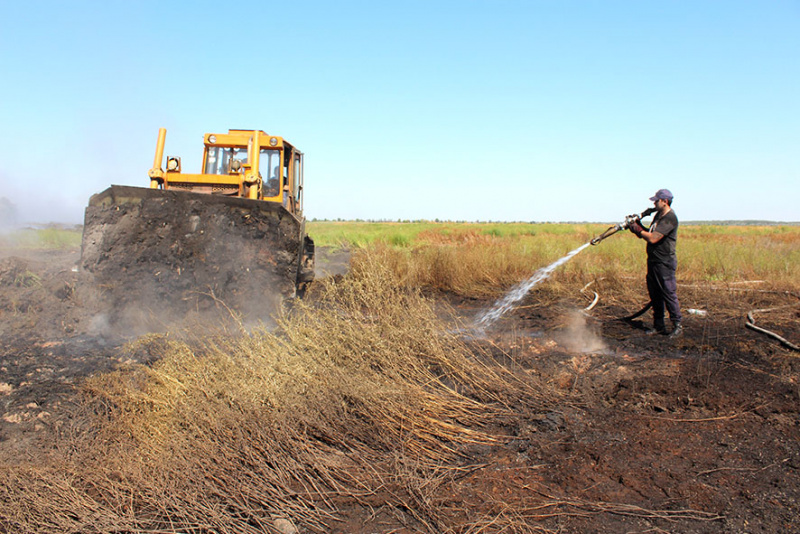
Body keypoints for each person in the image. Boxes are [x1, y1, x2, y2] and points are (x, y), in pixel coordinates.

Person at [629, 189, 683, 338]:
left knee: (668, 293)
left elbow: (653, 238)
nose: (654, 203)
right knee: (655, 294)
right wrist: (637, 226)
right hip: (653, 261)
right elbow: (650, 232)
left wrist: (637, 229)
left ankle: (677, 325)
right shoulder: (659, 216)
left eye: (656, 200)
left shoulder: (670, 218)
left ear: (664, 201)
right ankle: (658, 325)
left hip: (665, 262)